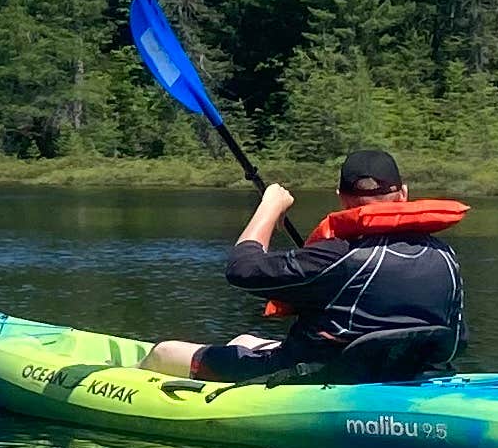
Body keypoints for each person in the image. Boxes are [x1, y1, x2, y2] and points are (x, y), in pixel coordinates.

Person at [145, 146, 466, 386]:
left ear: (342, 198)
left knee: (165, 352)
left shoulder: (338, 256)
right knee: (244, 340)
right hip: (407, 375)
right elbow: (457, 340)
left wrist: (269, 209)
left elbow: (241, 269)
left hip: (318, 378)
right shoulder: (444, 256)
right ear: (404, 195)